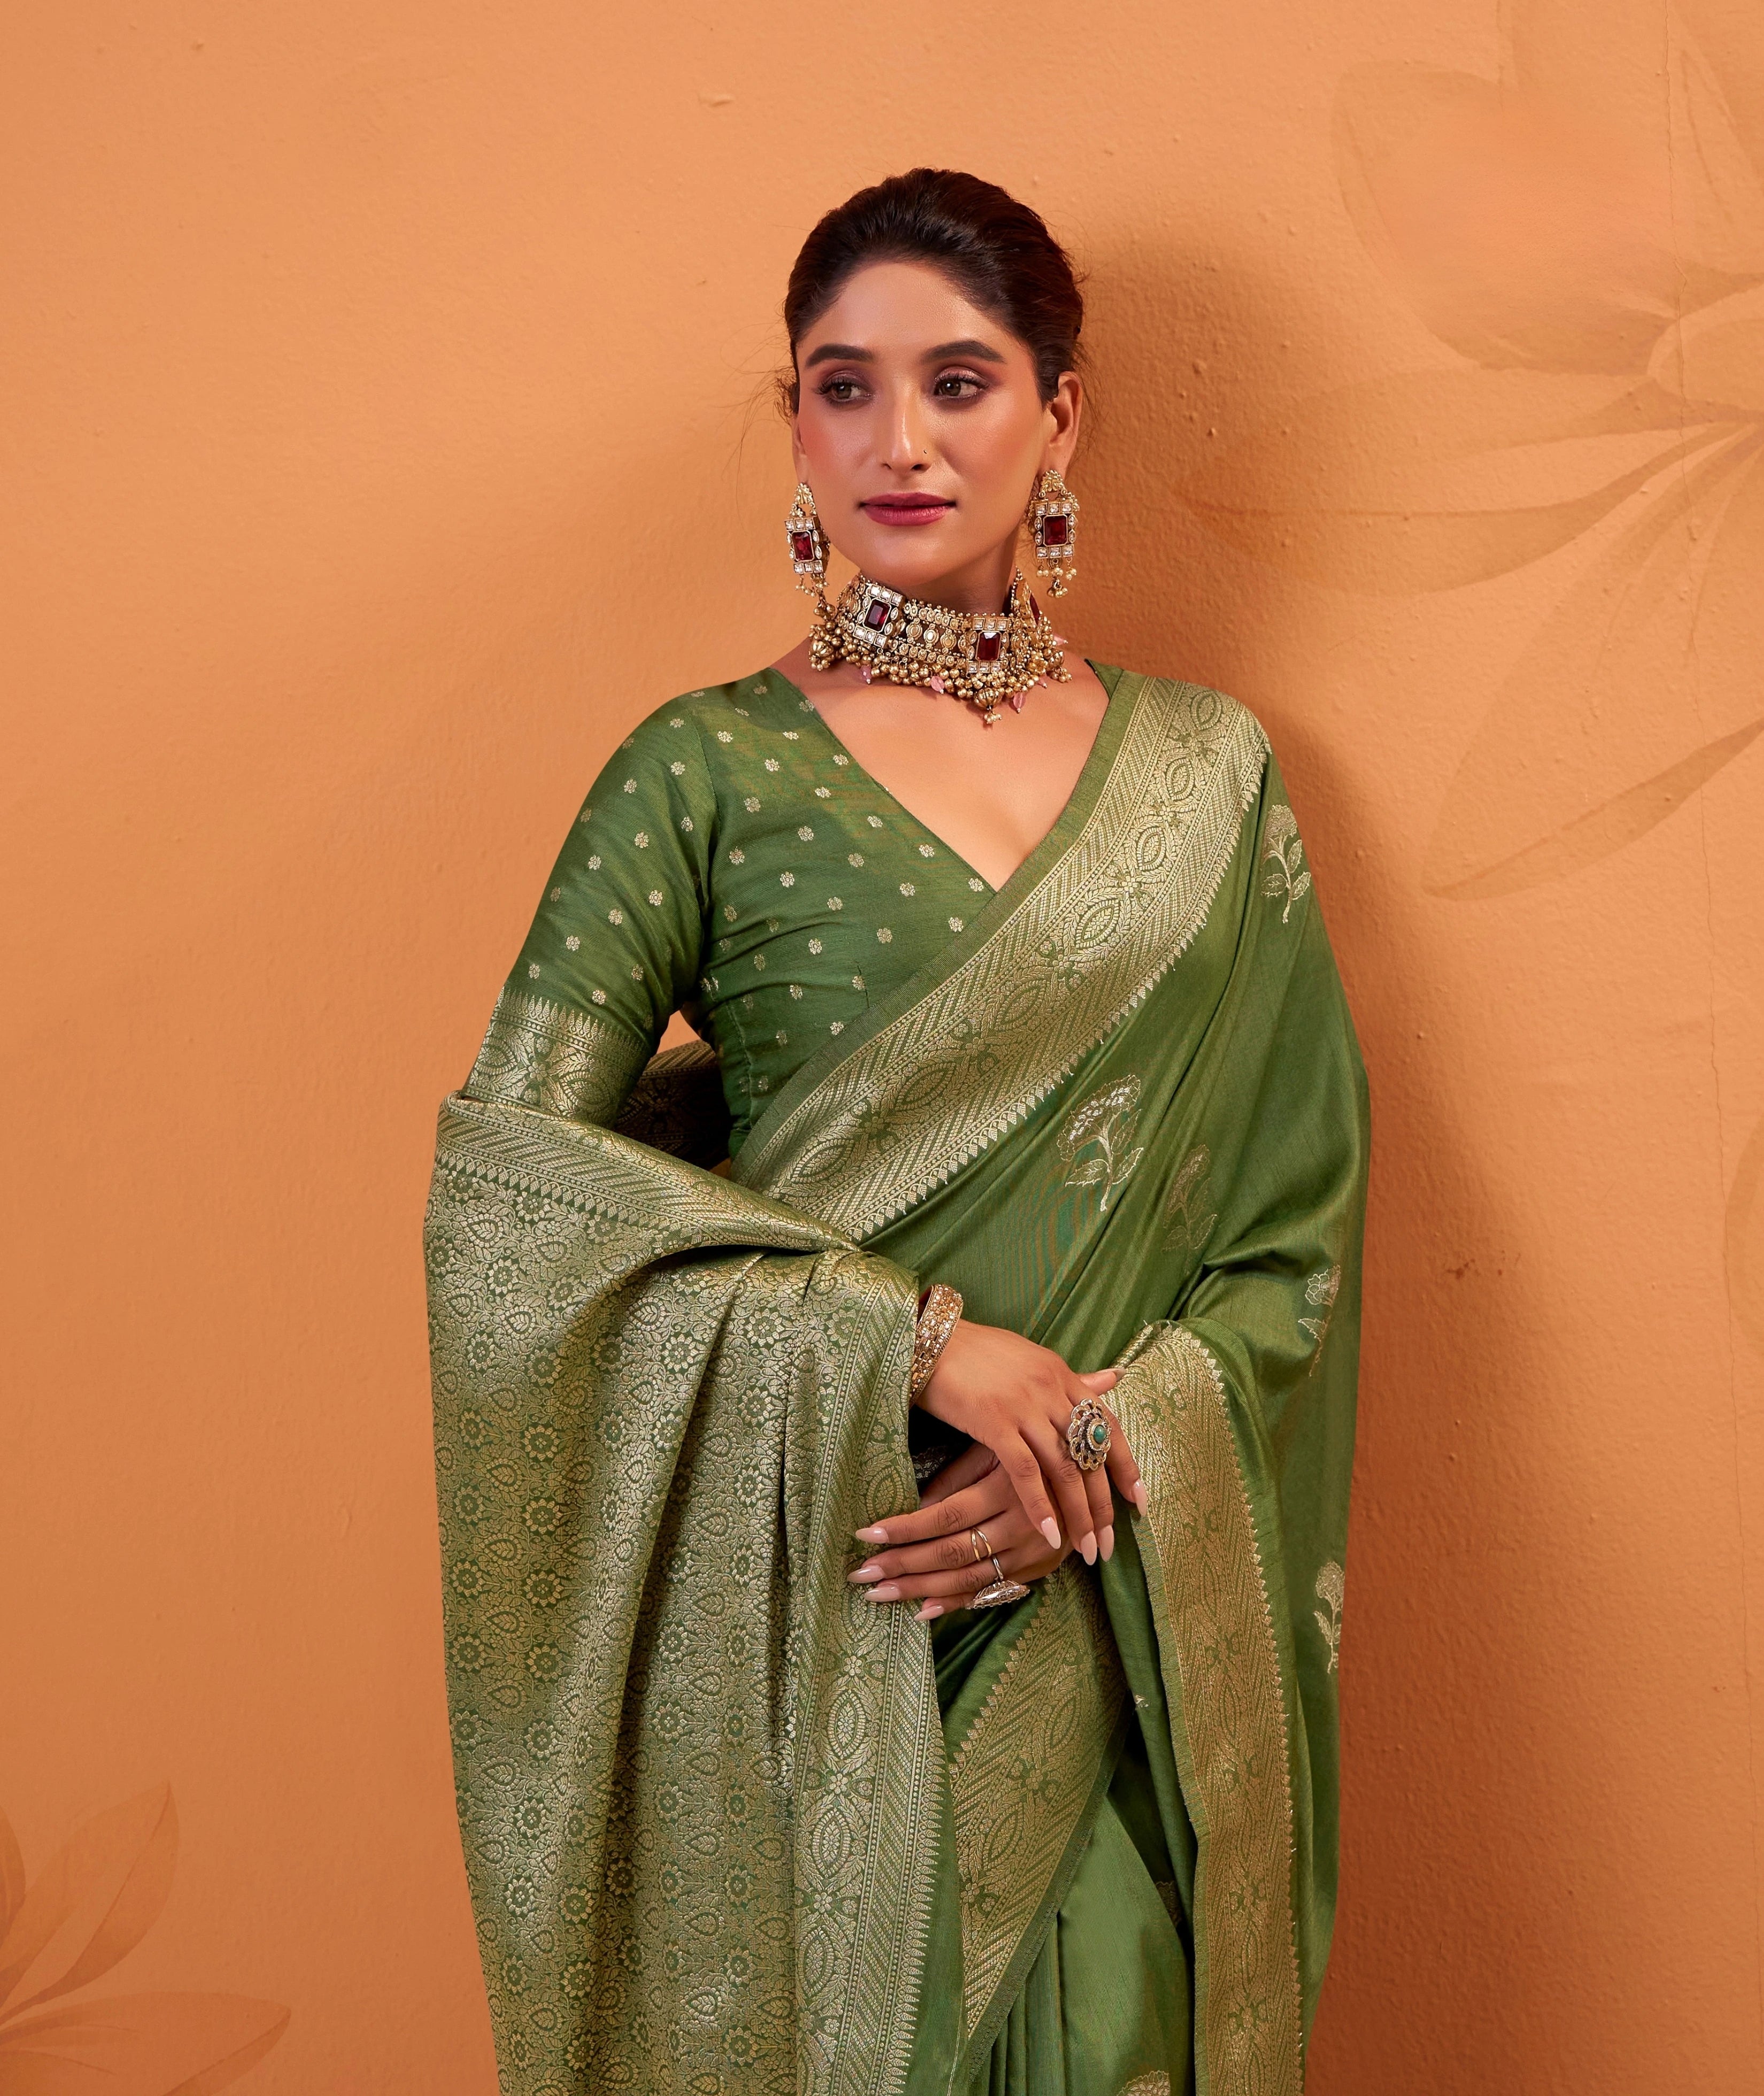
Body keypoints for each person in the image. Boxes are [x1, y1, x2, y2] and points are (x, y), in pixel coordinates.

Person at [425, 167, 1368, 2096]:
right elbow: (511, 1221)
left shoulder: (1210, 776)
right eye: (840, 387)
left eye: (958, 380)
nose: (898, 441)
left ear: (1058, 414)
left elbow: (1294, 1235)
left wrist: (1098, 1449)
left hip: (1105, 1620)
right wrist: (908, 1346)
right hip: (830, 1615)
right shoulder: (698, 773)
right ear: (796, 427)